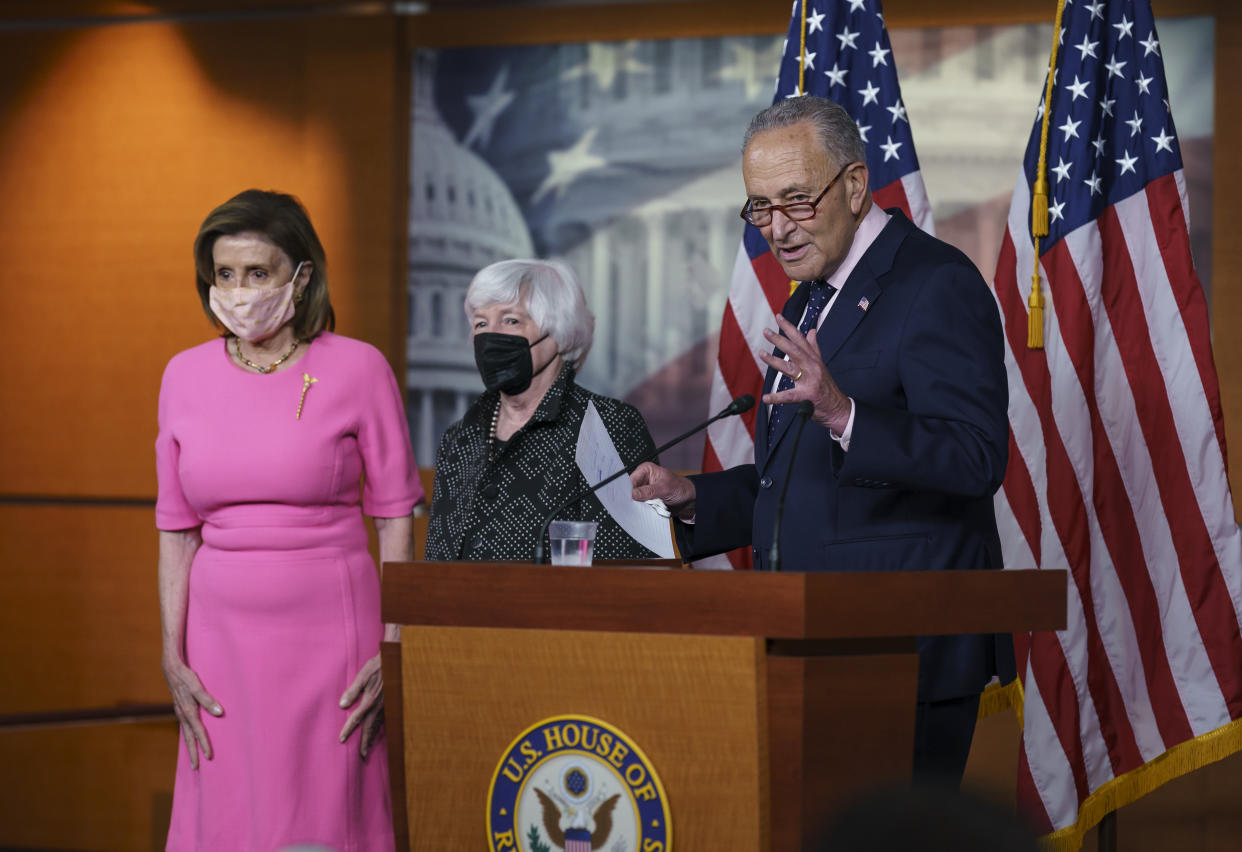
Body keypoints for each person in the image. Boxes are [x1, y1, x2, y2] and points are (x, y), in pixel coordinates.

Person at [630, 96, 1010, 784]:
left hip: (901, 655)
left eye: (796, 201)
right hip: (811, 647)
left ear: (856, 186)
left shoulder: (935, 282)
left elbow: (976, 456)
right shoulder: (807, 299)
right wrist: (693, 498)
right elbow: (796, 485)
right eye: (759, 207)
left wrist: (845, 414)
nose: (776, 228)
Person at [155, 189, 423, 850]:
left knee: (323, 815)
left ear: (301, 278)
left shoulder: (359, 367)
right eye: (225, 274)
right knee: (226, 814)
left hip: (334, 637)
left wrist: (391, 646)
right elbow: (175, 530)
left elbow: (395, 519)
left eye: (258, 273)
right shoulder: (182, 375)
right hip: (218, 646)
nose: (239, 290)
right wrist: (171, 652)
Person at [425, 258, 658, 562]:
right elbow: (438, 561)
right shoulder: (460, 436)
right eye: (481, 323)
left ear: (559, 333)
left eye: (511, 320)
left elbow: (625, 565)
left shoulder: (608, 425)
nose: (490, 336)